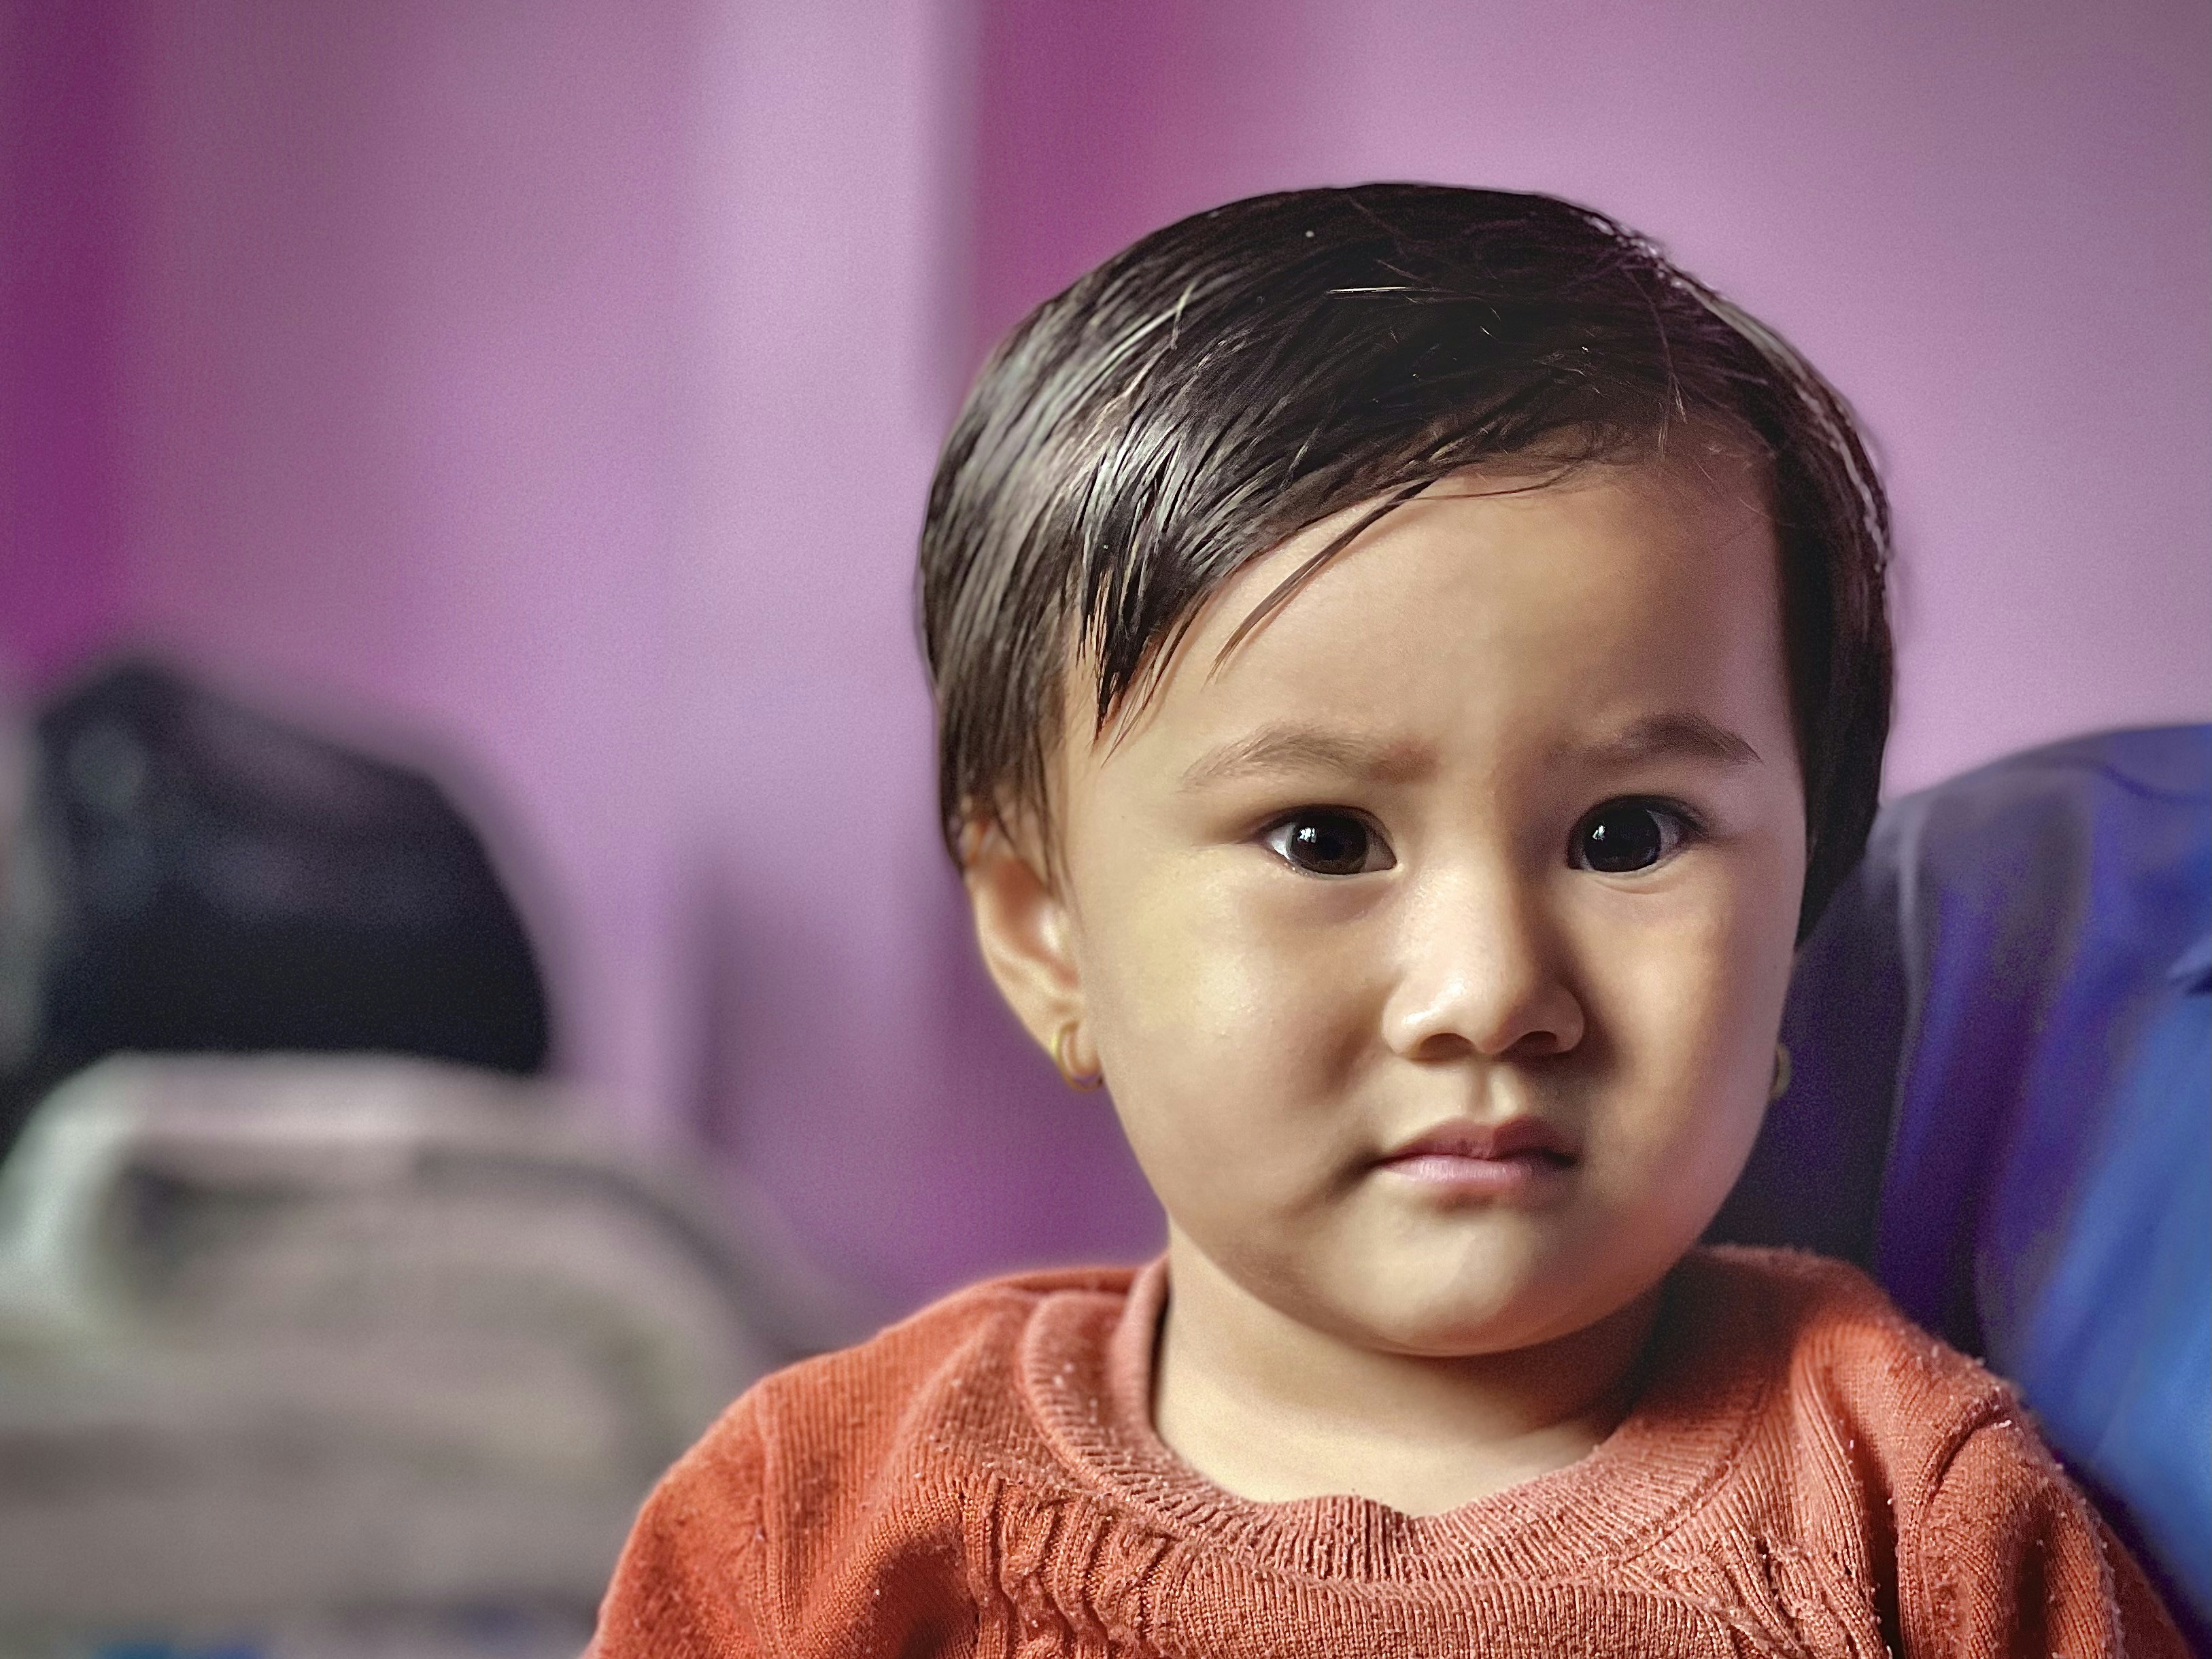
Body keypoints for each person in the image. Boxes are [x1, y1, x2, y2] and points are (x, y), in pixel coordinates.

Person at [588, 186, 2185, 1655]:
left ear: (1798, 916)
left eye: (1626, 836)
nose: (1488, 989)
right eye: (1324, 838)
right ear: (1044, 931)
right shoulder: (812, 1521)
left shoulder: (1922, 1509)